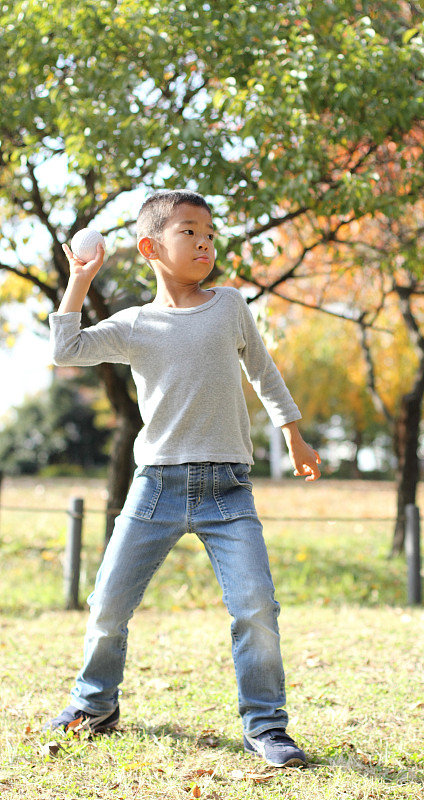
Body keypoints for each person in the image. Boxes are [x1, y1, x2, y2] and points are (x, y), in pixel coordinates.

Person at [45, 190, 321, 768]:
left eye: (211, 234)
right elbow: (65, 349)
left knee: (254, 608)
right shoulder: (135, 325)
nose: (205, 243)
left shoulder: (229, 306)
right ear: (151, 247)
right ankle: (94, 705)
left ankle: (266, 726)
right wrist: (80, 279)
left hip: (228, 489)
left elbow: (264, 374)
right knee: (106, 605)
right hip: (155, 488)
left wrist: (293, 433)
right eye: (190, 232)